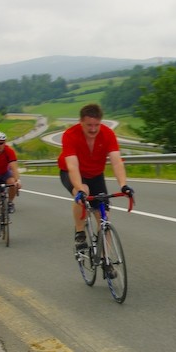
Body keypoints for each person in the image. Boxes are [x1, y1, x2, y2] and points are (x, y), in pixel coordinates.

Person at [57, 103, 133, 249]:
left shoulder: (108, 134)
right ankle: (80, 233)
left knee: (104, 219)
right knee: (83, 191)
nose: (93, 129)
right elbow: (72, 166)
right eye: (89, 125)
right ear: (81, 123)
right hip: (72, 172)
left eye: (96, 125)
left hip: (96, 174)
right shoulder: (70, 135)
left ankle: (107, 261)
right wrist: (79, 189)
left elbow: (117, 162)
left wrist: (123, 185)